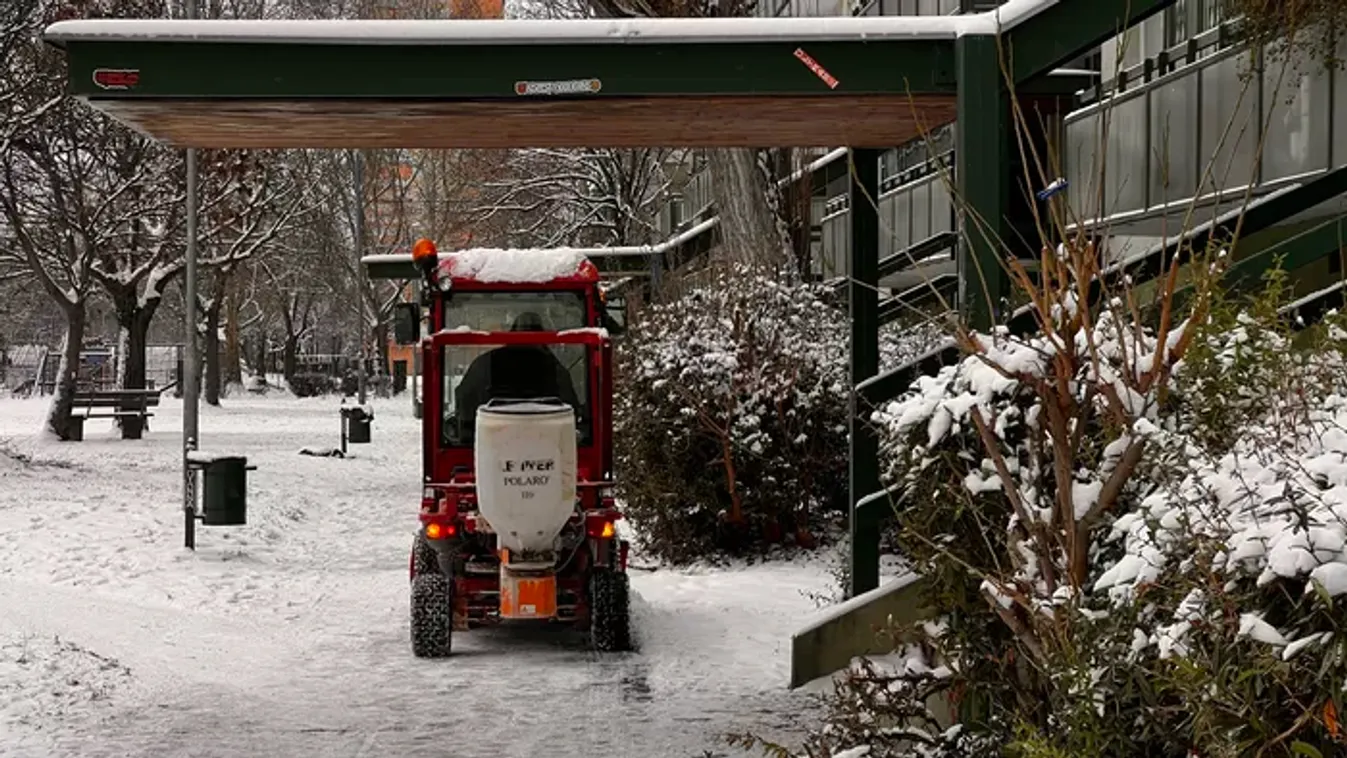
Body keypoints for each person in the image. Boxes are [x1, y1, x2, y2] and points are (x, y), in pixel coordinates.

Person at [452, 311, 583, 442]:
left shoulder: (486, 363)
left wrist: (466, 434)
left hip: (489, 442)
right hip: (549, 444)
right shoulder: (555, 368)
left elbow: (465, 401)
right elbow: (570, 407)